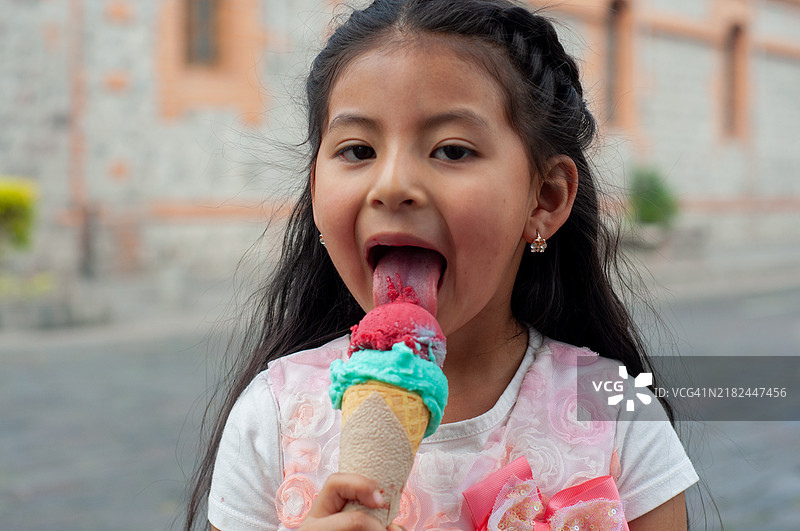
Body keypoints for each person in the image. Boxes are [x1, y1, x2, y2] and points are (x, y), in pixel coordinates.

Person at [185, 0, 699, 529]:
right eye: (358, 150)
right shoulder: (273, 419)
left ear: (544, 198)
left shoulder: (616, 414)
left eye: (452, 151)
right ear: (316, 191)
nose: (392, 186)